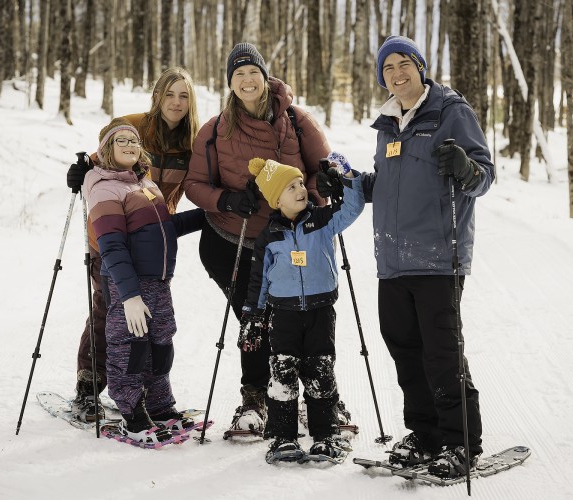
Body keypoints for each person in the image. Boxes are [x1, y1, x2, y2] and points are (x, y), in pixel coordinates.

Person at [339, 35, 494, 478]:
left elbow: (483, 177)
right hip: (392, 260)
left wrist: (465, 167)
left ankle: (461, 441)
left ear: (420, 67)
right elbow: (385, 184)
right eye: (388, 68)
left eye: (404, 63)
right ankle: (425, 433)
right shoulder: (388, 123)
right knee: (405, 351)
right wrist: (350, 183)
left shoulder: (450, 112)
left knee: (441, 353)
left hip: (437, 258)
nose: (396, 73)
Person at [184, 42, 346, 436]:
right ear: (230, 83)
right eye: (237, 74)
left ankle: (315, 399)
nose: (246, 79)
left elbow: (326, 167)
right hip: (231, 241)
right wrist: (227, 198)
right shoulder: (216, 128)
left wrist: (312, 191)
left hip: (287, 241)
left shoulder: (295, 118)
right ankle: (255, 400)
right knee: (253, 321)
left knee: (299, 320)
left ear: (264, 75)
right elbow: (194, 184)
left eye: (251, 71)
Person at [66, 67, 200, 423]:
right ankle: (89, 385)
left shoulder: (192, 140)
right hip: (112, 237)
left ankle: (151, 397)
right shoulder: (133, 127)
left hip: (152, 234)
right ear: (156, 96)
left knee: (153, 329)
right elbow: (105, 161)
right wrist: (82, 168)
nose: (176, 102)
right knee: (109, 312)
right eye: (169, 94)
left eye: (184, 96)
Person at [83, 117, 205, 444]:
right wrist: (130, 296)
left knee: (161, 342)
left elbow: (164, 229)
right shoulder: (103, 186)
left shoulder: (144, 184)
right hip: (129, 284)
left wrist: (207, 215)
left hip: (158, 281)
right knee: (131, 347)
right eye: (120, 140)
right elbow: (111, 244)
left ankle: (160, 406)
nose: (128, 145)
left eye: (133, 141)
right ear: (106, 149)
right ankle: (132, 412)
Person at [239, 155, 364, 463]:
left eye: (300, 184)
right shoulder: (269, 237)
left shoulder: (321, 219)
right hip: (284, 316)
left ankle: (325, 436)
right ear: (275, 200)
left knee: (320, 372)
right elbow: (258, 280)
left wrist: (347, 176)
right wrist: (253, 316)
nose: (300, 190)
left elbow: (352, 207)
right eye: (290, 187)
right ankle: (282, 438)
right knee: (282, 375)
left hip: (320, 311)